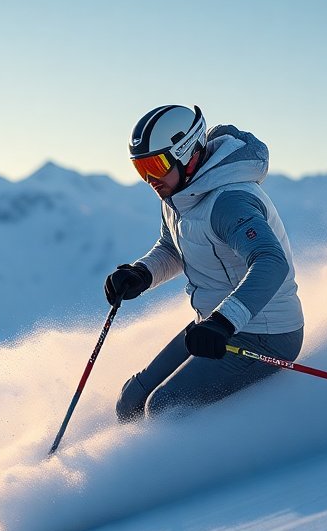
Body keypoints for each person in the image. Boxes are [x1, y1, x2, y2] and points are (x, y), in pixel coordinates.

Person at [107, 105, 304, 420]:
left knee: (163, 409)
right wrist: (141, 274)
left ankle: (193, 466)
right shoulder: (178, 196)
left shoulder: (229, 201)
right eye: (140, 168)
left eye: (155, 164)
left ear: (185, 153)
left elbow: (270, 261)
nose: (149, 179)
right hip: (214, 326)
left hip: (265, 333)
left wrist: (224, 322)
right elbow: (174, 246)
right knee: (130, 401)